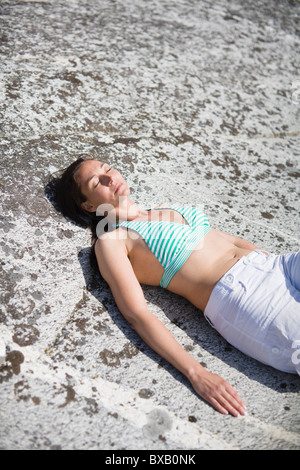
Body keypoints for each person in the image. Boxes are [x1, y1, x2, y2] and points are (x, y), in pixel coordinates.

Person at [47, 155, 300, 417]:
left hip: (278, 266)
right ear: (88, 205)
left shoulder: (163, 208)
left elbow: (230, 240)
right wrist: (196, 372)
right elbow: (137, 314)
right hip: (245, 295)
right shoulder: (112, 241)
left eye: (108, 169)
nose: (110, 178)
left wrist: (271, 263)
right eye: (97, 181)